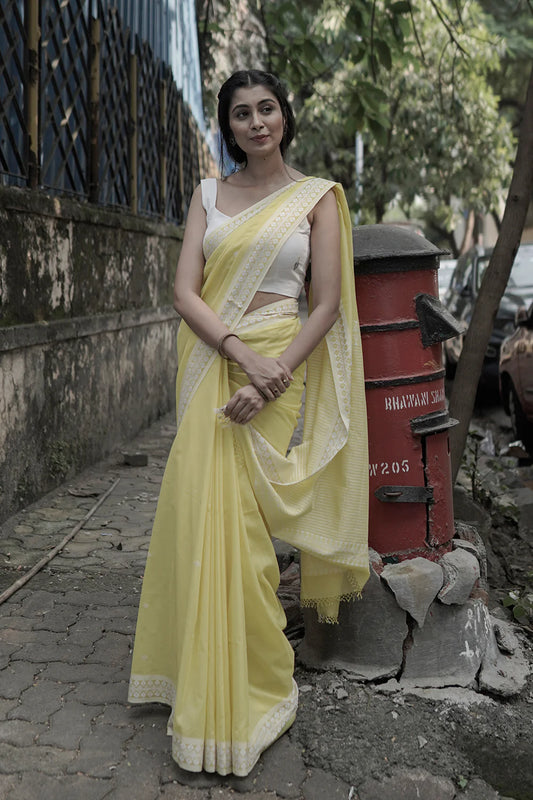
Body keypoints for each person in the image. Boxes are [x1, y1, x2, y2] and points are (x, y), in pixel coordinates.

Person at [128, 69, 369, 777]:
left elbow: (324, 303)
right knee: (208, 518)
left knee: (246, 531)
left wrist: (275, 375)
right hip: (214, 364)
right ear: (227, 127)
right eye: (241, 113)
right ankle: (200, 689)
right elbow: (183, 290)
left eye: (266, 109)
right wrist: (236, 355)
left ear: (284, 118)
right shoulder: (208, 194)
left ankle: (255, 682)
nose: (256, 122)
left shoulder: (317, 198)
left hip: (279, 364)